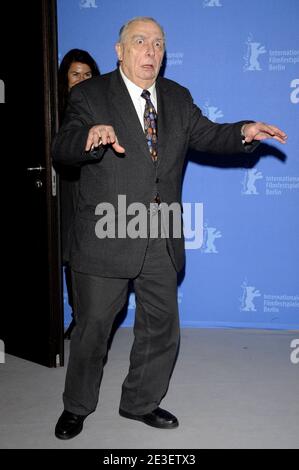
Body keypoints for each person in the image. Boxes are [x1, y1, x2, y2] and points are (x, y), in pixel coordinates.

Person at [52, 17, 287, 440]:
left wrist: (244, 132)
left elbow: (210, 135)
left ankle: (141, 401)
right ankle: (77, 406)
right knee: (92, 330)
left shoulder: (177, 97)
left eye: (158, 43)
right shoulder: (90, 94)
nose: (150, 51)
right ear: (119, 51)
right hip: (106, 234)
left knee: (161, 327)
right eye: (140, 42)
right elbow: (63, 147)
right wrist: (90, 135)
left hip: (160, 232)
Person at [57, 49, 100, 339]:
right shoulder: (55, 112)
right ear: (65, 79)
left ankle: (91, 319)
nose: (82, 80)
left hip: (94, 190)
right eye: (76, 74)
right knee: (69, 255)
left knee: (92, 255)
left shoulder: (102, 110)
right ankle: (77, 317)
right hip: (61, 192)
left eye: (87, 75)